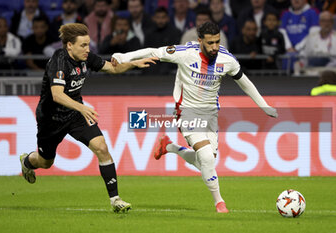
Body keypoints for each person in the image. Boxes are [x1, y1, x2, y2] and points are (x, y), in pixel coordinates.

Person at [112, 21, 278, 213]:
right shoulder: (185, 53)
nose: (215, 47)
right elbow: (153, 51)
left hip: (211, 115)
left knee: (205, 161)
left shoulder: (227, 60)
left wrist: (263, 106)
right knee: (207, 157)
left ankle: (170, 146)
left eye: (217, 42)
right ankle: (219, 203)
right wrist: (124, 56)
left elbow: (245, 82)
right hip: (187, 111)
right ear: (199, 41)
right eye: (210, 43)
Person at [19, 23, 157, 213]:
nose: (88, 49)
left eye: (88, 44)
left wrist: (133, 64)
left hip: (75, 114)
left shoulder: (86, 58)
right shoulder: (59, 61)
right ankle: (27, 162)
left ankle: (115, 199)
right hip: (51, 120)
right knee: (45, 162)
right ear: (69, 45)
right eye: (83, 45)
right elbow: (57, 95)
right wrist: (82, 107)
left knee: (101, 147)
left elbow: (112, 68)